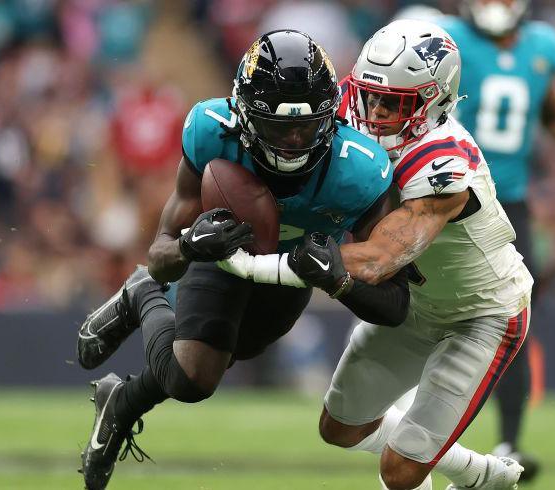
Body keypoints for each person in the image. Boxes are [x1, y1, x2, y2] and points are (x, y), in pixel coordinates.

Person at [74, 30, 412, 490]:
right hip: (225, 259)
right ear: (245, 115)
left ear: (330, 119)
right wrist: (194, 245)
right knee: (195, 377)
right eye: (278, 125)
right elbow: (161, 253)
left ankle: (122, 400)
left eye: (306, 125)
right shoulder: (211, 130)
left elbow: (396, 304)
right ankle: (142, 295)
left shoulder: (361, 170)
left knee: (241, 350)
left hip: (291, 272)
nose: (293, 140)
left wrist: (340, 282)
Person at [221, 19, 532, 490]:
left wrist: (254, 265)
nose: (376, 111)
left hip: (481, 313)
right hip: (414, 309)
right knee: (339, 428)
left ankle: (475, 476)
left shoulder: (445, 162)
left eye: (396, 103)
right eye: (371, 94)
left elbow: (382, 257)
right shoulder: (348, 102)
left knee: (400, 470)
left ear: (435, 101)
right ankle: (478, 475)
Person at [435, 0, 555, 479]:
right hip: (443, 190)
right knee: (420, 312)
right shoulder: (449, 38)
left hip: (508, 204)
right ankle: (407, 429)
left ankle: (510, 439)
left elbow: (550, 112)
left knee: (513, 324)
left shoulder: (544, 47)